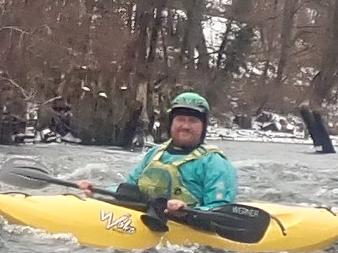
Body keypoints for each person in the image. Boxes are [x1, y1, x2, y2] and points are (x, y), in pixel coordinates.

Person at [77, 91, 239, 217]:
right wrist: (98, 191)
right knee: (127, 190)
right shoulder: (155, 153)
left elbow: (220, 209)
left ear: (203, 126)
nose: (185, 126)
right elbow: (130, 189)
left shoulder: (215, 163)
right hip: (148, 217)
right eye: (180, 119)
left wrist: (186, 211)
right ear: (171, 123)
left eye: (193, 121)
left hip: (188, 226)